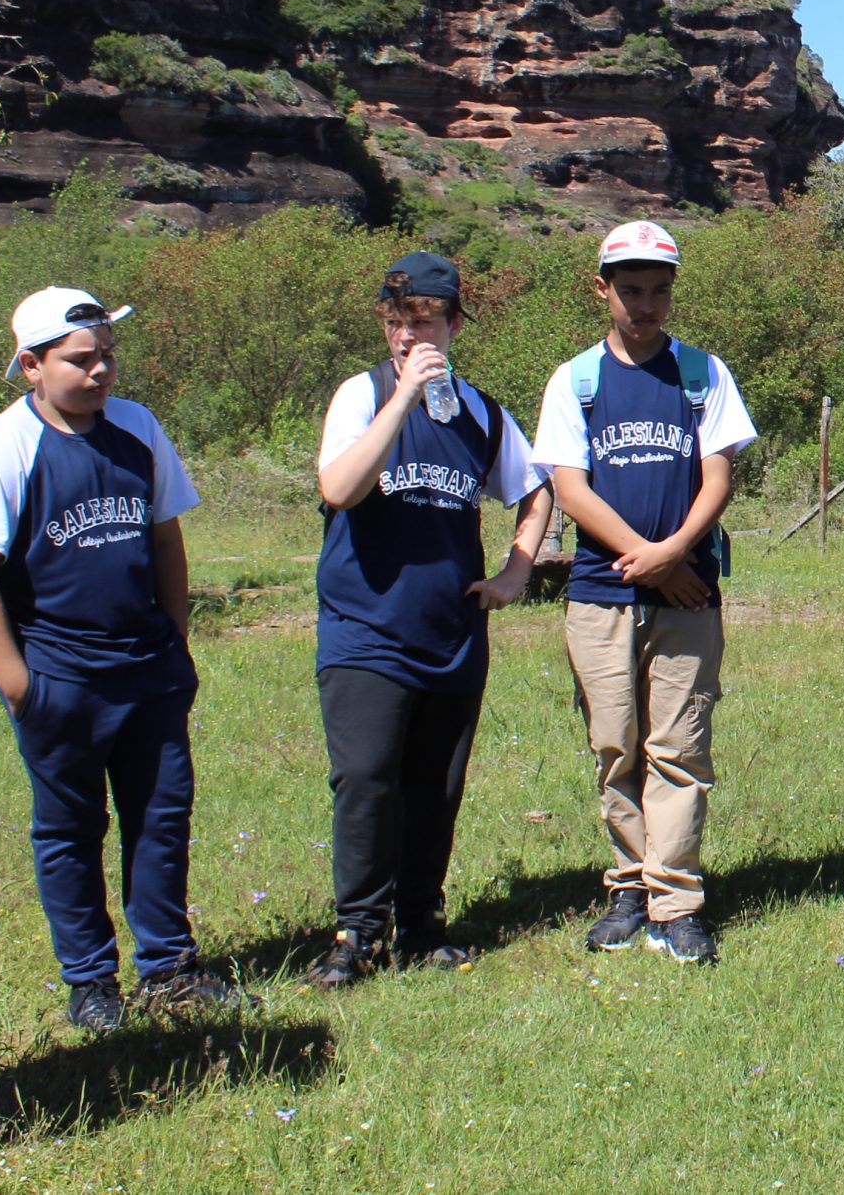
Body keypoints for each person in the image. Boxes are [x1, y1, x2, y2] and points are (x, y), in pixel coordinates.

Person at [0, 288, 242, 1032]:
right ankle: (90, 982)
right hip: (62, 678)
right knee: (71, 830)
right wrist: (20, 683)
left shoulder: (136, 427)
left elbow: (166, 536)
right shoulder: (5, 444)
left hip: (148, 671)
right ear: (31, 366)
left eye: (108, 354)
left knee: (161, 819)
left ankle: (169, 966)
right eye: (81, 359)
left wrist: (175, 641)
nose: (102, 370)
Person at [306, 252, 554, 988]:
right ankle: (357, 930)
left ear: (453, 325)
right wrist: (402, 401)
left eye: (424, 323)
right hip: (366, 628)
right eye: (397, 324)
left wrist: (515, 571)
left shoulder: (481, 410)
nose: (409, 338)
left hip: (451, 633)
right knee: (365, 778)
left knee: (434, 785)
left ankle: (419, 922)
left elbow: (534, 490)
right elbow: (340, 486)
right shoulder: (362, 393)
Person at [534, 221, 756, 965]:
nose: (646, 304)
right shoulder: (575, 380)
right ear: (602, 288)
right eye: (630, 290)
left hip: (688, 593)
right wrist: (653, 559)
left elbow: (718, 476)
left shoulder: (703, 375)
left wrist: (672, 554)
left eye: (660, 290)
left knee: (681, 746)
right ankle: (628, 886)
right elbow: (570, 487)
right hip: (602, 594)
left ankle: (678, 900)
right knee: (614, 743)